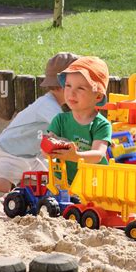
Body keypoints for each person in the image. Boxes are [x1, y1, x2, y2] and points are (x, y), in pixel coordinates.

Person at [0, 52, 80, 192]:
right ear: (63, 86)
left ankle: (17, 180)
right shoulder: (48, 106)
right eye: (78, 87)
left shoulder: (55, 106)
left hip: (30, 158)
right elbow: (68, 130)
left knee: (46, 182)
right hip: (9, 154)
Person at [45, 56, 112, 184]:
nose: (71, 93)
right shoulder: (60, 120)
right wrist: (48, 149)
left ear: (98, 96)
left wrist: (76, 156)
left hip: (94, 182)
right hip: (64, 180)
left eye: (80, 88)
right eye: (68, 85)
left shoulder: (101, 125)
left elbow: (98, 155)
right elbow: (48, 144)